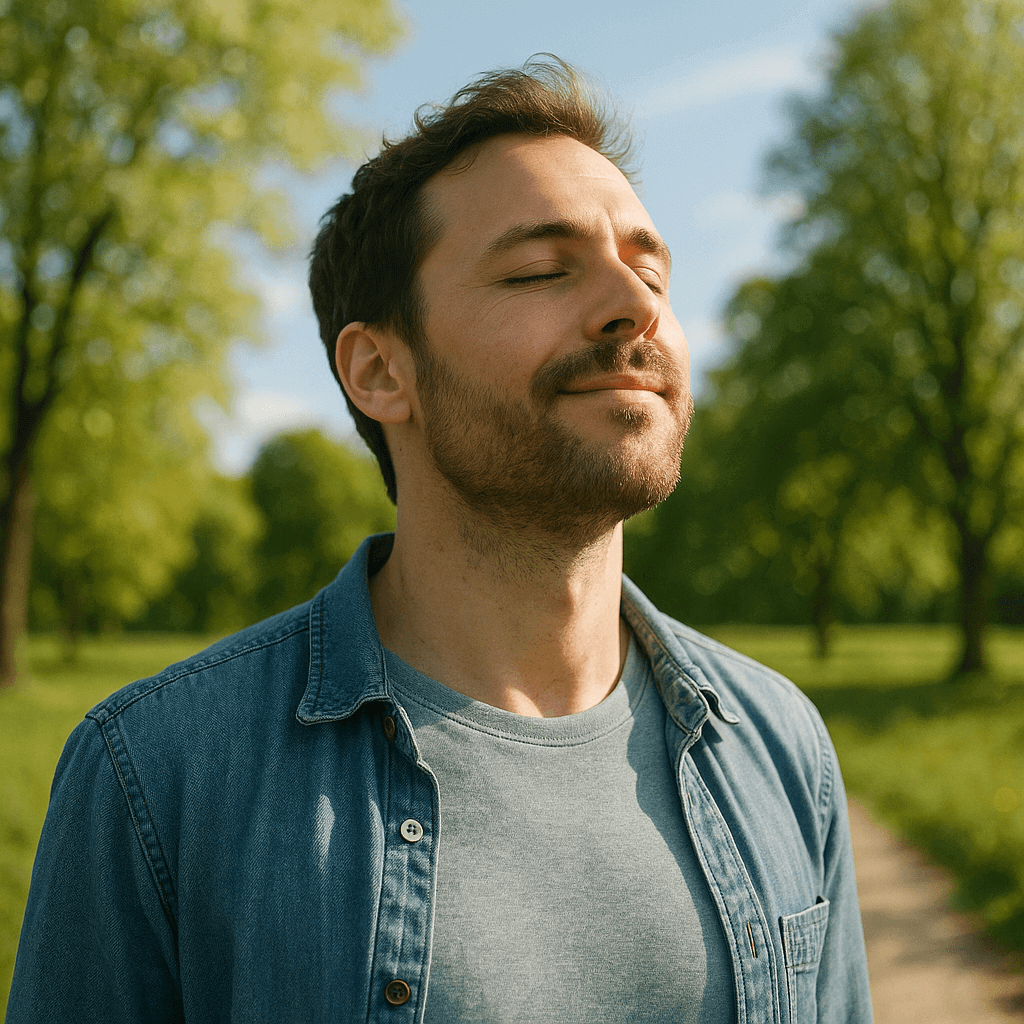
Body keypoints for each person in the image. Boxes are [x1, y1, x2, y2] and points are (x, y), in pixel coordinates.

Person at [7, 58, 873, 1023]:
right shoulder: (154, 778)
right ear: (380, 370)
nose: (635, 305)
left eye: (651, 269)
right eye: (541, 270)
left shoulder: (781, 745)